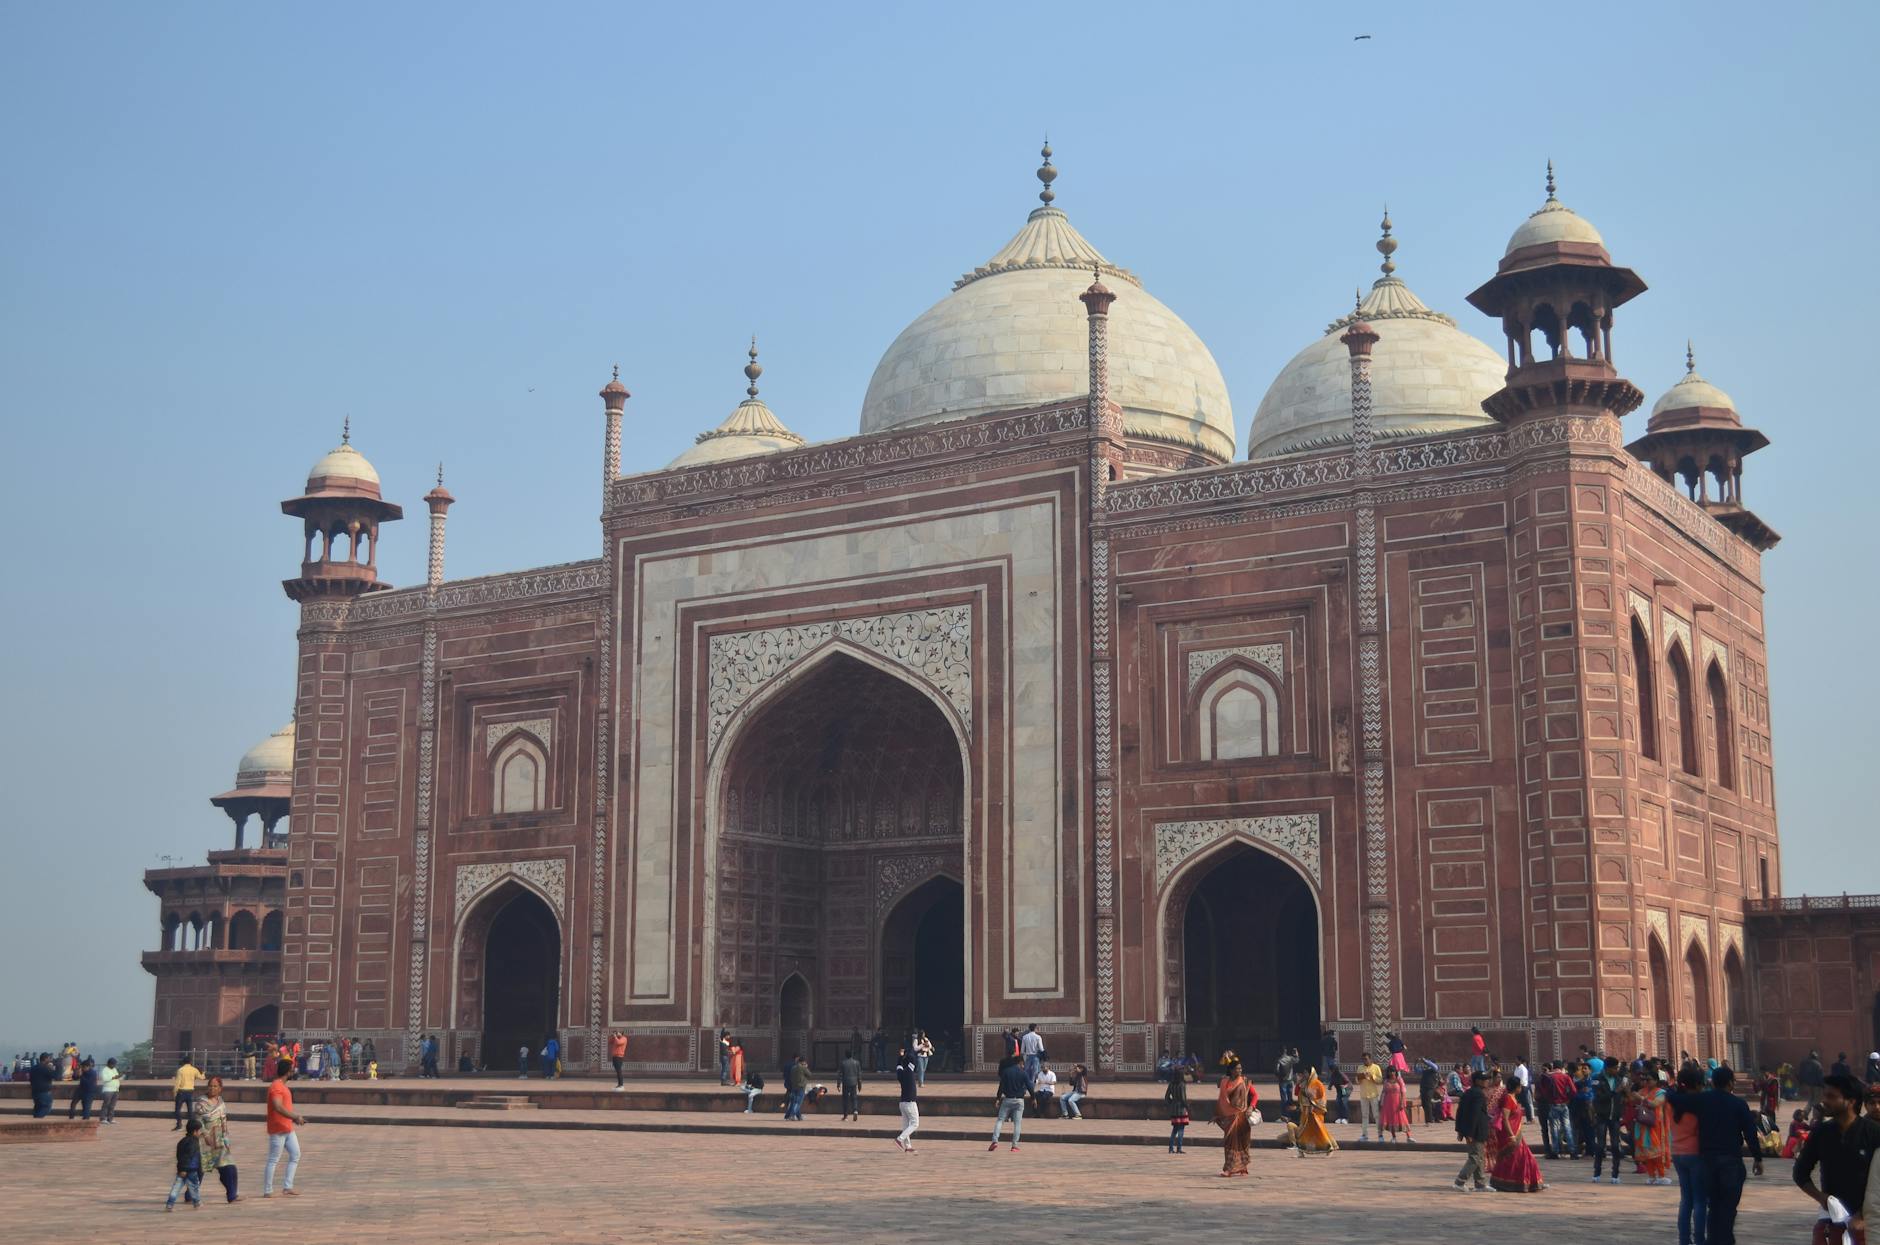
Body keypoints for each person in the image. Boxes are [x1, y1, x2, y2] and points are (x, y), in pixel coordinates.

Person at [1664, 1065, 1764, 1245]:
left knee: (1714, 1204)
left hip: (1708, 1160)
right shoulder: (1738, 1104)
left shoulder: (1703, 1100)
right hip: (1730, 1160)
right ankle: (1724, 1239)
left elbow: (1677, 1100)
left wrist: (1669, 1092)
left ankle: (1710, 1240)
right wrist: (1757, 1157)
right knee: (1728, 1206)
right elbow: (1750, 1133)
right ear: (1730, 1083)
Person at [1793, 1075, 1880, 1242]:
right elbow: (1800, 1173)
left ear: (1851, 1101)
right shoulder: (1821, 1132)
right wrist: (1821, 1197)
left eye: (1831, 1097)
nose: (1825, 1101)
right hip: (1831, 1218)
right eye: (1825, 1096)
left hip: (1867, 1222)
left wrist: (1862, 1214)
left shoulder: (1873, 1133)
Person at [1669, 1066, 1708, 1245]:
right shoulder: (1698, 1102)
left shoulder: (1673, 1100)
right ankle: (1699, 1239)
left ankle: (1684, 1239)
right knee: (1700, 1200)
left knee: (1686, 1199)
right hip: (1695, 1152)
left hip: (1677, 1151)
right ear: (1698, 1083)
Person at [1488, 1073, 1544, 1192]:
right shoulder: (1508, 1099)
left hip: (1516, 1133)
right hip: (1509, 1135)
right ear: (1516, 1087)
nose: (1521, 1088)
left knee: (1525, 1158)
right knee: (1514, 1159)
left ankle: (1530, 1181)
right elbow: (1505, 1118)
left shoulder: (1513, 1098)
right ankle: (1508, 1182)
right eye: (1520, 1086)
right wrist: (1511, 1135)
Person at [263, 1057, 305, 1198]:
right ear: (288, 1071)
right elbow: (278, 1106)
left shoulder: (282, 1086)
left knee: (295, 1154)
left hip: (287, 1127)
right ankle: (268, 1189)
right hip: (278, 1128)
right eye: (292, 1069)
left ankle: (288, 1186)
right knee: (273, 1159)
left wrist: (293, 1119)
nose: (294, 1071)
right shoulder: (276, 1086)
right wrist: (295, 1117)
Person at [194, 1075, 240, 1203]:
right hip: (206, 1142)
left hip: (219, 1139)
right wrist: (206, 1136)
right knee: (200, 1170)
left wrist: (226, 1139)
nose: (212, 1088)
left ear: (220, 1088)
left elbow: (224, 1121)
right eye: (210, 1086)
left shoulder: (221, 1102)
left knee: (229, 1167)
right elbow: (198, 1123)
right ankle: (190, 1194)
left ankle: (232, 1195)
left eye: (215, 1086)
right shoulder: (201, 1103)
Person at [1211, 1052, 1254, 1177]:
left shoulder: (1245, 1081)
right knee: (1230, 1143)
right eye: (1237, 1068)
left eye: (1241, 1068)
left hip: (1242, 1116)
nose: (1240, 1070)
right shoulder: (1225, 1082)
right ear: (1231, 1070)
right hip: (1230, 1117)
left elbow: (1254, 1095)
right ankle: (1229, 1168)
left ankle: (1243, 1167)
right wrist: (1218, 1114)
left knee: (1243, 1143)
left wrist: (1251, 1107)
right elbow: (1222, 1100)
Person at [1589, 1059, 1629, 1183]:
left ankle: (1615, 1174)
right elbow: (1599, 1097)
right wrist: (1614, 1092)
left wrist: (1625, 1091)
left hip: (1615, 1116)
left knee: (1616, 1146)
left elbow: (1625, 1096)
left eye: (1617, 1068)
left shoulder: (1618, 1079)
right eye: (1614, 1068)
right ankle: (1597, 1172)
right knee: (1600, 1146)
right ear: (1607, 1068)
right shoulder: (1597, 1078)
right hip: (1602, 1116)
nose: (1616, 1070)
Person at [1454, 1070, 1492, 1191]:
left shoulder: (1468, 1093)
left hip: (1471, 1130)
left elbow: (1460, 1112)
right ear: (1477, 1081)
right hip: (1476, 1130)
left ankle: (1480, 1183)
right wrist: (1469, 1133)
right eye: (1484, 1079)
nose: (1487, 1081)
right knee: (1475, 1157)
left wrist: (1460, 1130)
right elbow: (1474, 1115)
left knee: (1479, 1156)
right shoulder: (1479, 1095)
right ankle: (1460, 1181)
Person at [1635, 1068, 1673, 1185]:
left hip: (1656, 1126)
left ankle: (1661, 1175)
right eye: (1645, 1080)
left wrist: (1640, 1098)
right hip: (1643, 1126)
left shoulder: (1660, 1092)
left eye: (1649, 1080)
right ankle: (1651, 1175)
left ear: (1656, 1081)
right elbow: (1631, 1100)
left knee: (1657, 1153)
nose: (1646, 1082)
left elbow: (1654, 1104)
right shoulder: (1642, 1090)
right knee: (1647, 1154)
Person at [1289, 1069, 1338, 1157]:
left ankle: (1330, 1148)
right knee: (1303, 1132)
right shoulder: (1304, 1083)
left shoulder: (1317, 1084)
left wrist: (1314, 1104)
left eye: (1306, 1073)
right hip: (1305, 1111)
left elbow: (1322, 1098)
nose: (1304, 1074)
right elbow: (1297, 1094)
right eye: (1303, 1073)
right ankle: (1301, 1152)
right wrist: (1298, 1083)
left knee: (1320, 1130)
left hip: (1315, 1112)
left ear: (1310, 1073)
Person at [990, 1054, 1030, 1152]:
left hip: (1007, 1099)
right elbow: (1030, 1086)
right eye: (1023, 1064)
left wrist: (998, 1098)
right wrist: (1033, 1098)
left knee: (1000, 1120)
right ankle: (1014, 1146)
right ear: (1020, 1063)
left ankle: (995, 1141)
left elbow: (1001, 1087)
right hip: (1019, 1100)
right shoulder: (1023, 1073)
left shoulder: (1006, 1072)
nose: (1023, 1066)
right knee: (1017, 1123)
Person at [167, 1118, 204, 1211]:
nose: (200, 1133)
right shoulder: (193, 1143)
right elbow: (187, 1156)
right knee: (194, 1186)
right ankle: (197, 1202)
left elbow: (179, 1155)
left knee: (176, 1187)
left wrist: (180, 1168)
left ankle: (170, 1204)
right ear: (195, 1131)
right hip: (190, 1169)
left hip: (182, 1169)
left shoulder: (182, 1141)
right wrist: (184, 1169)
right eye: (200, 1131)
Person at [893, 1046, 920, 1152]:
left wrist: (900, 1056)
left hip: (902, 1103)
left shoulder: (900, 1074)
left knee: (905, 1125)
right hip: (910, 1102)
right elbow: (912, 1059)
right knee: (915, 1123)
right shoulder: (909, 1071)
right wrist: (911, 1050)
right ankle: (900, 1139)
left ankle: (908, 1146)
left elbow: (898, 1065)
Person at [1379, 1065, 1413, 1143]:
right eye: (1390, 1071)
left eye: (1393, 1071)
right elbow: (1383, 1092)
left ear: (1396, 1072)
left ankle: (1409, 1136)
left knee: (1403, 1119)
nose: (1392, 1073)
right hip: (1388, 1102)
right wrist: (1381, 1102)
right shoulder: (1386, 1081)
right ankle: (1393, 1137)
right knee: (1391, 1119)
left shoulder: (1399, 1080)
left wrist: (1402, 1103)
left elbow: (1403, 1092)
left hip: (1397, 1102)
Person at [1355, 1051, 1382, 1141]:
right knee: (1364, 1115)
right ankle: (1364, 1134)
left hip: (1373, 1094)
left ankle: (1380, 1134)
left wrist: (1372, 1076)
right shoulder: (1360, 1068)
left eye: (1366, 1059)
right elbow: (1357, 1080)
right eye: (1363, 1059)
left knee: (1376, 1115)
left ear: (1370, 1059)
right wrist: (1361, 1077)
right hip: (1363, 1094)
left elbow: (1380, 1080)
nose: (1364, 1061)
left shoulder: (1376, 1067)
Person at [171, 1055, 201, 1131]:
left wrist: (174, 1092)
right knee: (190, 1110)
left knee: (177, 1109)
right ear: (190, 1062)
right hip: (190, 1092)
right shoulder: (194, 1069)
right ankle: (191, 1126)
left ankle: (179, 1124)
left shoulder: (180, 1070)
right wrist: (203, 1073)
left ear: (183, 1062)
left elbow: (178, 1082)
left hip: (181, 1092)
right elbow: (201, 1077)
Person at [1166, 1067, 1190, 1154]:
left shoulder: (1171, 1084)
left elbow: (1167, 1097)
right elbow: (1183, 1098)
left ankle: (1171, 1148)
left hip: (1174, 1108)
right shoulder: (1182, 1084)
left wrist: (1171, 1103)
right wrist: (1187, 1106)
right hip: (1181, 1109)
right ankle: (1179, 1148)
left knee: (1175, 1129)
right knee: (1181, 1129)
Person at [838, 1048, 864, 1121]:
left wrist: (838, 1084)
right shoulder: (857, 1063)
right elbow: (859, 1074)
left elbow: (840, 1074)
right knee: (854, 1097)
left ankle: (845, 1116)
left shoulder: (843, 1063)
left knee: (845, 1099)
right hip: (854, 1082)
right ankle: (855, 1110)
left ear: (845, 1055)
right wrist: (859, 1085)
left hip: (846, 1083)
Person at [782, 1055, 810, 1121]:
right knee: (798, 1102)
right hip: (801, 1087)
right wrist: (806, 1067)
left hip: (793, 1087)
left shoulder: (793, 1068)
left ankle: (791, 1116)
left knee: (793, 1102)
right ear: (803, 1062)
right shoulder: (802, 1068)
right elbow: (809, 1074)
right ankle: (792, 1115)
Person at [29, 1052, 56, 1118]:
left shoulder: (33, 1068)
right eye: (49, 1058)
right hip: (44, 1092)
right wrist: (54, 1068)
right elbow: (56, 1076)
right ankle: (37, 1120)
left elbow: (30, 1079)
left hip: (35, 1092)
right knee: (46, 1107)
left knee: (38, 1108)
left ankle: (35, 1123)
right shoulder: (46, 1068)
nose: (50, 1060)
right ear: (45, 1059)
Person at [1801, 1050, 1827, 1119]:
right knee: (1816, 1101)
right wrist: (1823, 1085)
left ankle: (1805, 1113)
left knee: (1810, 1100)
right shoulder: (1818, 1064)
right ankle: (1815, 1115)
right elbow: (1820, 1076)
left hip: (1809, 1085)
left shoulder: (1807, 1064)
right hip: (1817, 1085)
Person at [99, 1057, 122, 1125]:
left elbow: (116, 1076)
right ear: (109, 1064)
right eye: (113, 1064)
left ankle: (110, 1118)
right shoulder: (105, 1070)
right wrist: (113, 1077)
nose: (114, 1066)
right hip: (108, 1090)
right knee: (106, 1104)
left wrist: (119, 1076)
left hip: (115, 1089)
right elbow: (104, 1079)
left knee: (112, 1105)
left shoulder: (114, 1069)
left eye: (115, 1064)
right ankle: (103, 1118)